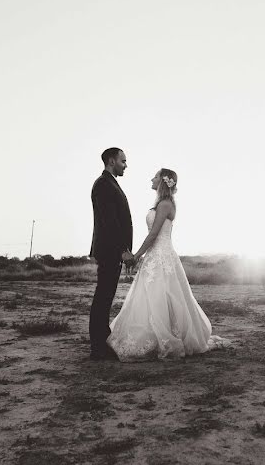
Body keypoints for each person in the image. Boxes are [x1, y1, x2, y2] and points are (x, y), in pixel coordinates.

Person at [107, 168, 227, 361]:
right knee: (152, 297)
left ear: (163, 181)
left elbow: (154, 235)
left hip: (162, 256)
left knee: (161, 296)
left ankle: (167, 338)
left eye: (154, 176)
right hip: (155, 256)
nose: (151, 178)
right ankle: (154, 336)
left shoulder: (165, 204)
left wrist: (136, 255)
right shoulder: (161, 203)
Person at [89, 147, 133, 360]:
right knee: (103, 297)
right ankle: (98, 348)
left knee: (105, 297)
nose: (126, 164)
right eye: (123, 160)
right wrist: (122, 250)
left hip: (111, 250)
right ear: (111, 160)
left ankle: (102, 340)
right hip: (109, 250)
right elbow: (110, 222)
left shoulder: (110, 183)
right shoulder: (103, 184)